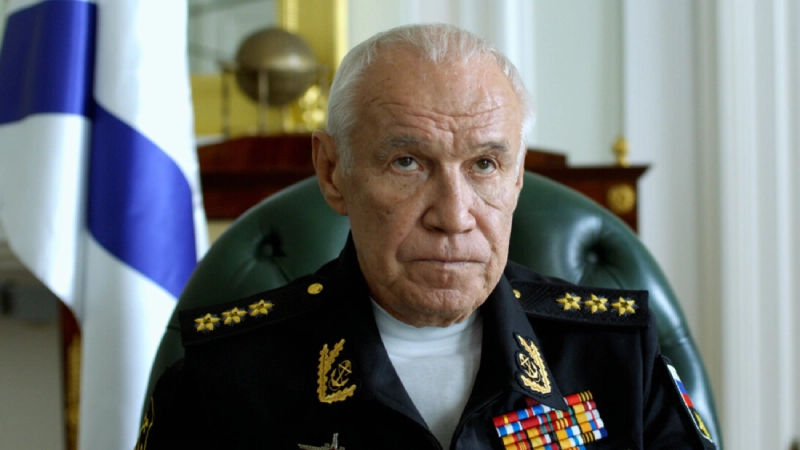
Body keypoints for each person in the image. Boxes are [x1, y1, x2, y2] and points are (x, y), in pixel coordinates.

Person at [138, 24, 716, 449]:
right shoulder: (224, 378)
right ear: (333, 172)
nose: (455, 215)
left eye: (484, 165)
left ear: (517, 178)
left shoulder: (616, 356)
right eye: (408, 162)